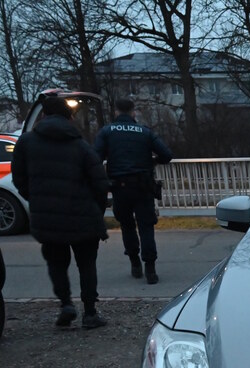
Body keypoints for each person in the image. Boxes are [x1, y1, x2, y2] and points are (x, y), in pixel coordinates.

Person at [11, 95, 111, 329]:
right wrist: (97, 209)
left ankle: (66, 303)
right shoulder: (80, 144)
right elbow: (99, 182)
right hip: (82, 215)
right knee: (86, 264)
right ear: (69, 117)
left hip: (47, 217)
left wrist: (37, 200)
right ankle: (90, 312)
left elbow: (19, 179)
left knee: (56, 263)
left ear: (43, 115)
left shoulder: (26, 143)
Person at [94, 98, 173, 284]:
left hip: (120, 188)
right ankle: (151, 270)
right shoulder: (145, 132)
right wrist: (152, 161)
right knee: (146, 227)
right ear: (133, 112)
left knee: (127, 226)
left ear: (115, 112)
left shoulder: (107, 132)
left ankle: (135, 264)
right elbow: (167, 155)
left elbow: (94, 157)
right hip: (143, 186)